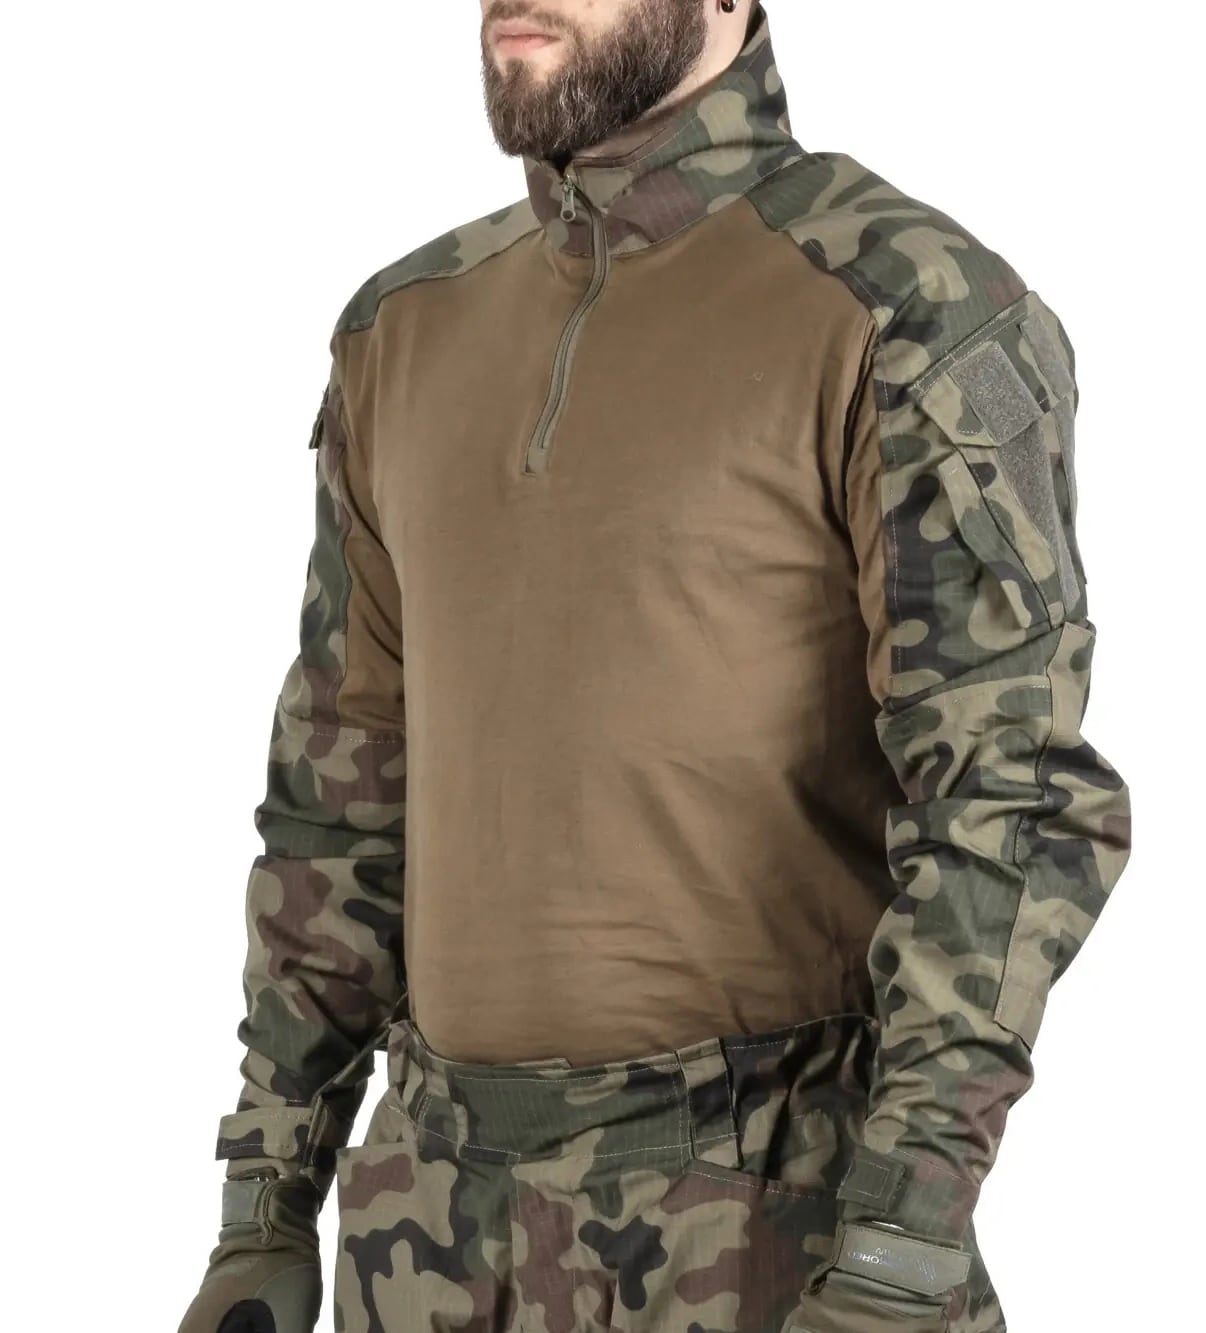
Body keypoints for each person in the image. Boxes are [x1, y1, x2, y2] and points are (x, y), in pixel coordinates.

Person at [178, 2, 1132, 1330]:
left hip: (762, 1240)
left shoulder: (899, 301)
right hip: (426, 1242)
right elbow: (341, 796)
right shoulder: (403, 328)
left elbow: (1007, 805)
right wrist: (266, 1202)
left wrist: (899, 1252)